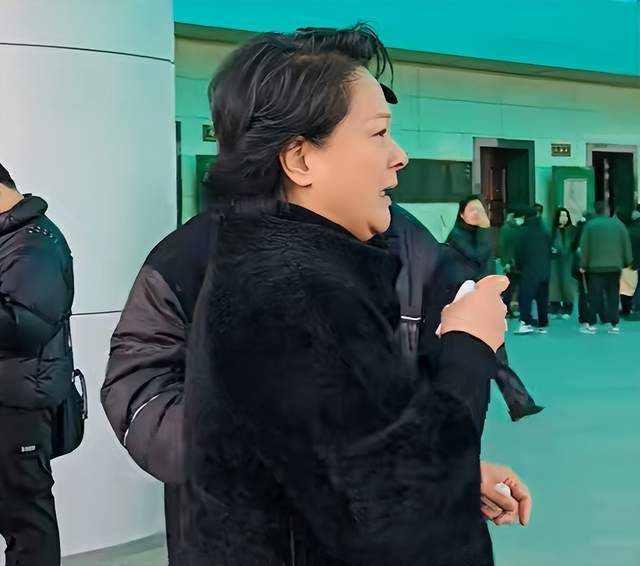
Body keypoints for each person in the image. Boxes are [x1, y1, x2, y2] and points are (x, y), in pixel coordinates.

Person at [185, 25, 530, 566]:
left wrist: (459, 473)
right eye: (378, 133)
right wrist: (468, 344)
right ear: (300, 159)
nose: (400, 156)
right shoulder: (292, 293)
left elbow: (340, 464)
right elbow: (393, 518)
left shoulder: (283, 267)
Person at [0, 163, 75, 566]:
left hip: (20, 406)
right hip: (10, 397)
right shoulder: (11, 238)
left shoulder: (34, 245)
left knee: (28, 522)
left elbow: (25, 325)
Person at [425, 197, 542, 422]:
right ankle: (517, 402)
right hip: (463, 307)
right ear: (462, 214)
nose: (477, 213)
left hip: (483, 305)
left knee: (495, 356)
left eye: (480, 209)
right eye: (472, 210)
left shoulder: (482, 239)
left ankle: (519, 402)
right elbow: (473, 260)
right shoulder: (458, 239)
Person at [579, 200, 633, 334]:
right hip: (614, 267)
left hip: (595, 268)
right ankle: (614, 324)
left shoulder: (590, 225)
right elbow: (626, 243)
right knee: (613, 295)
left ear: (595, 211)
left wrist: (583, 264)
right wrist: (627, 261)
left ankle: (592, 324)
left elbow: (585, 246)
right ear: (608, 210)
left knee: (594, 296)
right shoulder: (619, 225)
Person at [513, 206, 552, 335]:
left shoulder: (523, 232)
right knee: (543, 298)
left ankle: (525, 322)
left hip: (528, 270)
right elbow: (550, 248)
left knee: (525, 297)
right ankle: (543, 324)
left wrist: (518, 266)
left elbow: (519, 252)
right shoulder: (544, 230)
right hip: (544, 270)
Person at [549, 207, 577, 319]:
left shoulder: (572, 230)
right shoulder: (552, 230)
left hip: (568, 261)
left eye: (566, 215)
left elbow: (576, 244)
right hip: (555, 262)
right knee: (554, 284)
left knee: (567, 284)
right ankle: (554, 307)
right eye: (561, 215)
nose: (564, 218)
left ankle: (567, 308)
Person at [572, 211, 594, 332]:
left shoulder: (579, 229)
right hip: (590, 265)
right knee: (590, 292)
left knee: (583, 292)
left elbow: (573, 246)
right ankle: (588, 318)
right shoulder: (591, 230)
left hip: (580, 265)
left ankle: (583, 318)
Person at [498, 211, 522, 318]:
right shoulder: (511, 229)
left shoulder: (508, 228)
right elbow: (505, 246)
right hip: (513, 263)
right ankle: (507, 309)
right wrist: (506, 261)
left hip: (513, 262)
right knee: (511, 287)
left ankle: (507, 309)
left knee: (511, 287)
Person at [621, 209, 640, 318]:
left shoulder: (627, 230)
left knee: (625, 287)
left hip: (628, 263)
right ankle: (636, 307)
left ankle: (627, 309)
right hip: (638, 262)